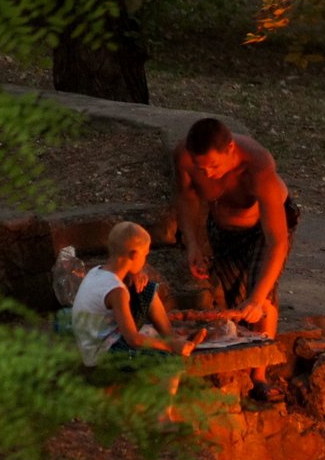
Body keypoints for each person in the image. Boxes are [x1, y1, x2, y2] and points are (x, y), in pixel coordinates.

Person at [174, 117, 298, 402]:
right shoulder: (184, 157)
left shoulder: (258, 166)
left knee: (260, 299)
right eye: (201, 167)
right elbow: (187, 198)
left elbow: (276, 242)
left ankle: (259, 377)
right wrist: (193, 243)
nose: (208, 173)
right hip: (222, 227)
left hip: (263, 231)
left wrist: (257, 297)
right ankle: (236, 363)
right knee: (232, 301)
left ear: (231, 148)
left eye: (214, 166)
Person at [72, 221, 198, 368]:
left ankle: (172, 337)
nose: (145, 260)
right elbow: (133, 339)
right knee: (172, 363)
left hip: (104, 339)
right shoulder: (116, 291)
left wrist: (134, 271)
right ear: (134, 255)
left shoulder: (97, 271)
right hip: (102, 354)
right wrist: (169, 347)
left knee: (145, 289)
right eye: (145, 255)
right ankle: (166, 384)